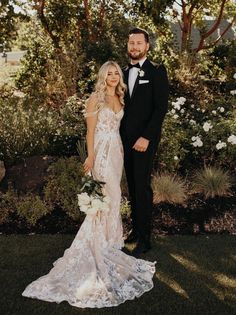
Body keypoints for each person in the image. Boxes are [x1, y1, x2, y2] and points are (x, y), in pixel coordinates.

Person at [22, 61, 156, 308]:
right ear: (102, 76)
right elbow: (90, 132)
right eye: (110, 73)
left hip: (117, 151)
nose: (114, 76)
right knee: (103, 198)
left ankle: (113, 243)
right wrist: (91, 157)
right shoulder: (95, 99)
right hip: (101, 152)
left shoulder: (120, 97)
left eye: (117, 73)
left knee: (114, 196)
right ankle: (98, 245)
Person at [120, 28, 169, 256]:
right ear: (127, 45)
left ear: (147, 46)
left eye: (139, 43)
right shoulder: (121, 72)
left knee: (142, 187)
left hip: (144, 141)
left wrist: (146, 137)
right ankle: (135, 229)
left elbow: (161, 109)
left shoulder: (157, 71)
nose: (135, 47)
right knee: (132, 186)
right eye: (131, 43)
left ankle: (145, 238)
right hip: (124, 140)